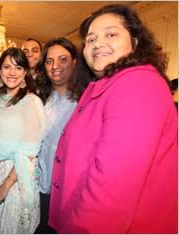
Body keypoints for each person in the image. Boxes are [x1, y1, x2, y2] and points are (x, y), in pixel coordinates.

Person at [49, 4, 178, 233]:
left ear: (136, 42)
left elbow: (111, 191)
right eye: (90, 39)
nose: (97, 44)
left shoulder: (137, 85)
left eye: (111, 34)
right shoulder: (106, 88)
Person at [0, 48, 46, 234]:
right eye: (7, 67)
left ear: (25, 73)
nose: (12, 72)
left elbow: (28, 153)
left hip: (15, 178)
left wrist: (5, 186)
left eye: (18, 67)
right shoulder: (0, 99)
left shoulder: (32, 102)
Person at [34, 38, 78, 234]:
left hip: (68, 189)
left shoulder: (85, 101)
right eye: (49, 61)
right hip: (37, 185)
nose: (55, 66)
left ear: (75, 62)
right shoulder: (38, 99)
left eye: (63, 59)